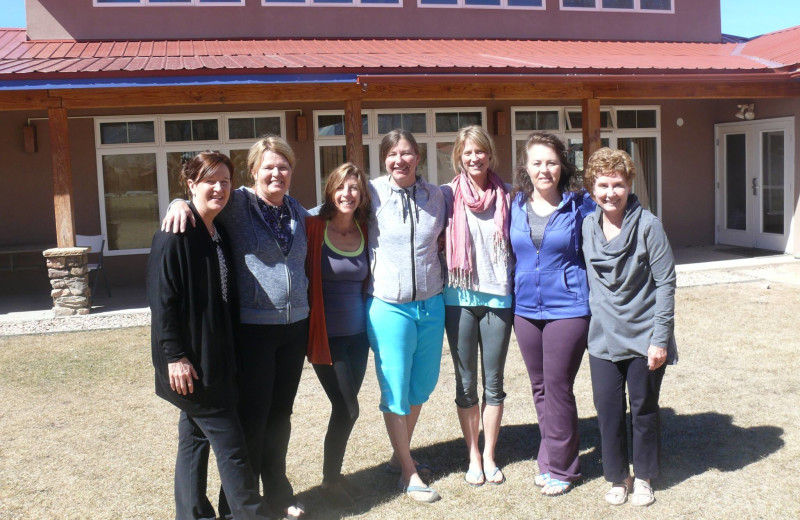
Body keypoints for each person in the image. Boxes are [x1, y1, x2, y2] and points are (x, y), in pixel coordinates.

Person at [162, 136, 309, 520]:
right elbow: (199, 206)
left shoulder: (297, 211)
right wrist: (178, 201)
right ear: (254, 171)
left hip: (294, 328)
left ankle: (277, 491)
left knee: (281, 416)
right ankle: (239, 505)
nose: (276, 173)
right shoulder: (237, 204)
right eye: (269, 167)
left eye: (284, 166)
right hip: (253, 331)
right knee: (253, 420)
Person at [147, 151, 273, 520]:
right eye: (210, 181)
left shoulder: (218, 233)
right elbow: (162, 301)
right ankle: (251, 513)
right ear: (191, 185)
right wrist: (174, 356)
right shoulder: (174, 235)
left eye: (225, 181)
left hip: (216, 359)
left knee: (194, 440)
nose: (219, 188)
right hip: (190, 363)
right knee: (233, 448)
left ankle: (191, 514)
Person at [581, 147, 677, 507]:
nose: (610, 192)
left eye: (617, 184)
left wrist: (660, 339)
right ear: (592, 188)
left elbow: (666, 283)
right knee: (607, 410)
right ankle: (618, 477)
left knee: (644, 409)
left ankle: (645, 477)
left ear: (629, 184)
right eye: (603, 185)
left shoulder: (649, 226)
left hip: (643, 337)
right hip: (603, 338)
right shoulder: (588, 225)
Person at [510, 132, 595, 496]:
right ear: (526, 168)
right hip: (526, 309)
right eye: (537, 162)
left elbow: (618, 209)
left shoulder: (581, 205)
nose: (544, 169)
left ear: (563, 166)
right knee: (540, 387)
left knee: (559, 386)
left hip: (569, 308)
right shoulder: (513, 204)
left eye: (552, 162)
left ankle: (563, 469)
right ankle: (549, 457)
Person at [367, 129, 447, 503]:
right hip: (389, 306)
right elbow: (324, 209)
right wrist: (182, 204)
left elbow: (491, 190)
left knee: (422, 386)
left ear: (418, 157)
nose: (400, 160)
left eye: (407, 153)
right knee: (396, 390)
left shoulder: (437, 196)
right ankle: (408, 471)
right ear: (384, 159)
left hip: (432, 304)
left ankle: (400, 457)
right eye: (393, 154)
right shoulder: (370, 193)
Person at [440, 125, 513, 487]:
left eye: (480, 152)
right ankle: (472, 455)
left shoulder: (508, 195)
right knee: (466, 384)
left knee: (494, 384)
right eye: (467, 152)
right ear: (459, 156)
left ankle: (490, 455)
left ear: (489, 154)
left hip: (499, 298)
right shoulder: (445, 195)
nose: (474, 158)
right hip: (460, 299)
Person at [305, 163, 372, 509]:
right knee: (347, 408)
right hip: (325, 337)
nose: (348, 194)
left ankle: (333, 477)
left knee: (343, 410)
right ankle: (330, 482)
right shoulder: (314, 226)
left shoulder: (363, 228)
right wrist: (177, 204)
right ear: (331, 190)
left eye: (354, 189)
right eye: (341, 187)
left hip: (358, 337)